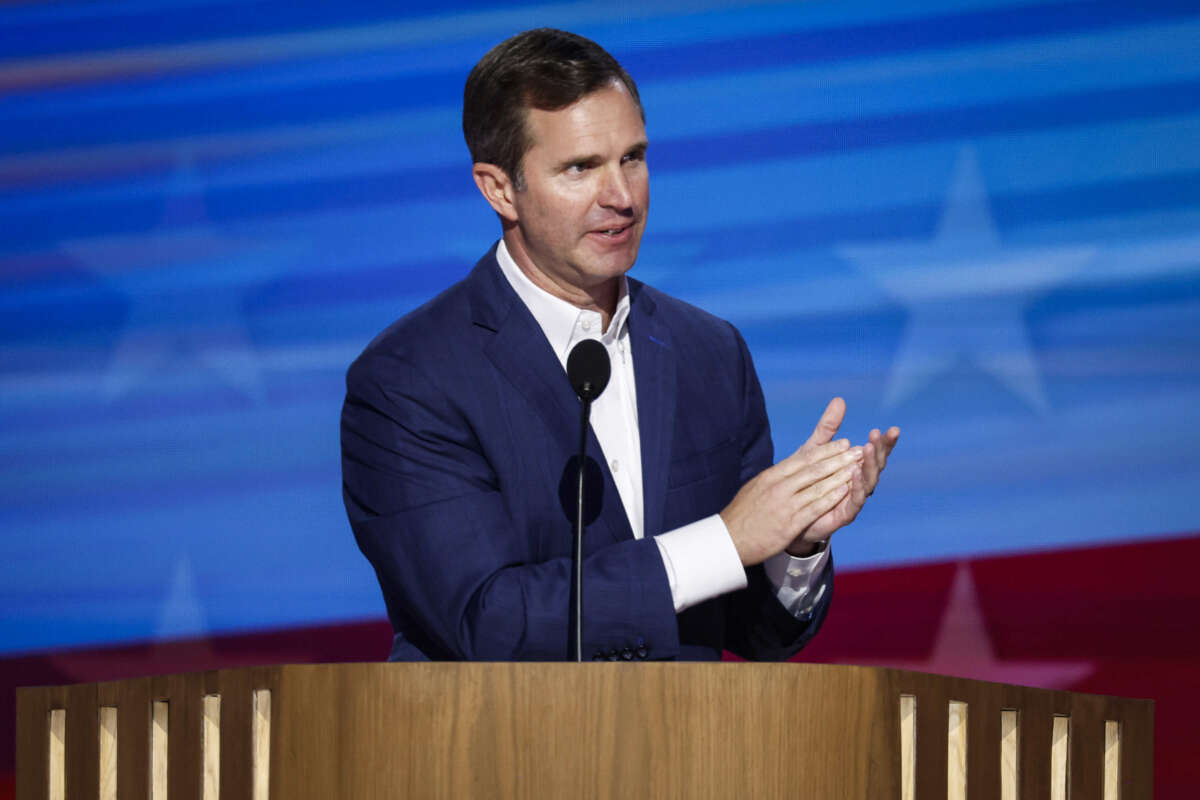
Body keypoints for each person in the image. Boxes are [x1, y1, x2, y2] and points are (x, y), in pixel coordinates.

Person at [340, 28, 898, 661]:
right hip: (502, 754)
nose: (623, 197)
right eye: (581, 168)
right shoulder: (409, 380)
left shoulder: (710, 353)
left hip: (696, 751)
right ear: (499, 189)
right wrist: (725, 541)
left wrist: (795, 544)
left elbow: (755, 634)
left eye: (632, 157)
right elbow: (485, 620)